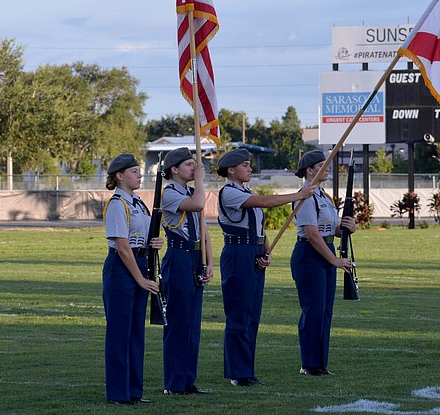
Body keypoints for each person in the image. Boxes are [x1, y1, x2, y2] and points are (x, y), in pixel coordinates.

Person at [216, 148, 316, 387]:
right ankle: (237, 373)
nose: (250, 168)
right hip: (237, 252)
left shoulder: (245, 190)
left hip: (253, 250)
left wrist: (265, 252)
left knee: (252, 315)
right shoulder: (229, 192)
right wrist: (298, 195)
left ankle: (246, 370)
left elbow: (258, 227)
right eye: (245, 165)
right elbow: (266, 202)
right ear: (231, 170)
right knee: (239, 314)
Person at [102, 153, 164, 405]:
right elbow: (122, 245)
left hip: (139, 263)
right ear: (119, 175)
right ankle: (118, 393)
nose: (140, 175)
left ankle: (134, 391)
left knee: (136, 332)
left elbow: (141, 237)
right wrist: (139, 279)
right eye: (134, 171)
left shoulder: (138, 202)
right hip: (122, 268)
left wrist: (155, 243)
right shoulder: (118, 203)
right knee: (120, 332)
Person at [289, 149, 356, 376]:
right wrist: (335, 260)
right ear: (309, 170)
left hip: (325, 249)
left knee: (325, 310)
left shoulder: (323, 196)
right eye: (322, 166)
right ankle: (309, 363)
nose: (327, 170)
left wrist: (347, 226)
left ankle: (320, 362)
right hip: (310, 254)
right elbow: (312, 233)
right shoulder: (306, 196)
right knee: (313, 310)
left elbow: (332, 229)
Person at [159, 147, 214, 395]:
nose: (195, 168)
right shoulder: (169, 193)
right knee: (178, 323)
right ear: (174, 169)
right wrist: (201, 181)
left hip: (195, 255)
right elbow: (199, 205)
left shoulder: (191, 191)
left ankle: (187, 381)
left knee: (193, 325)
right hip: (179, 256)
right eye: (190, 164)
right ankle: (174, 383)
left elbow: (205, 233)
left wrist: (209, 262)